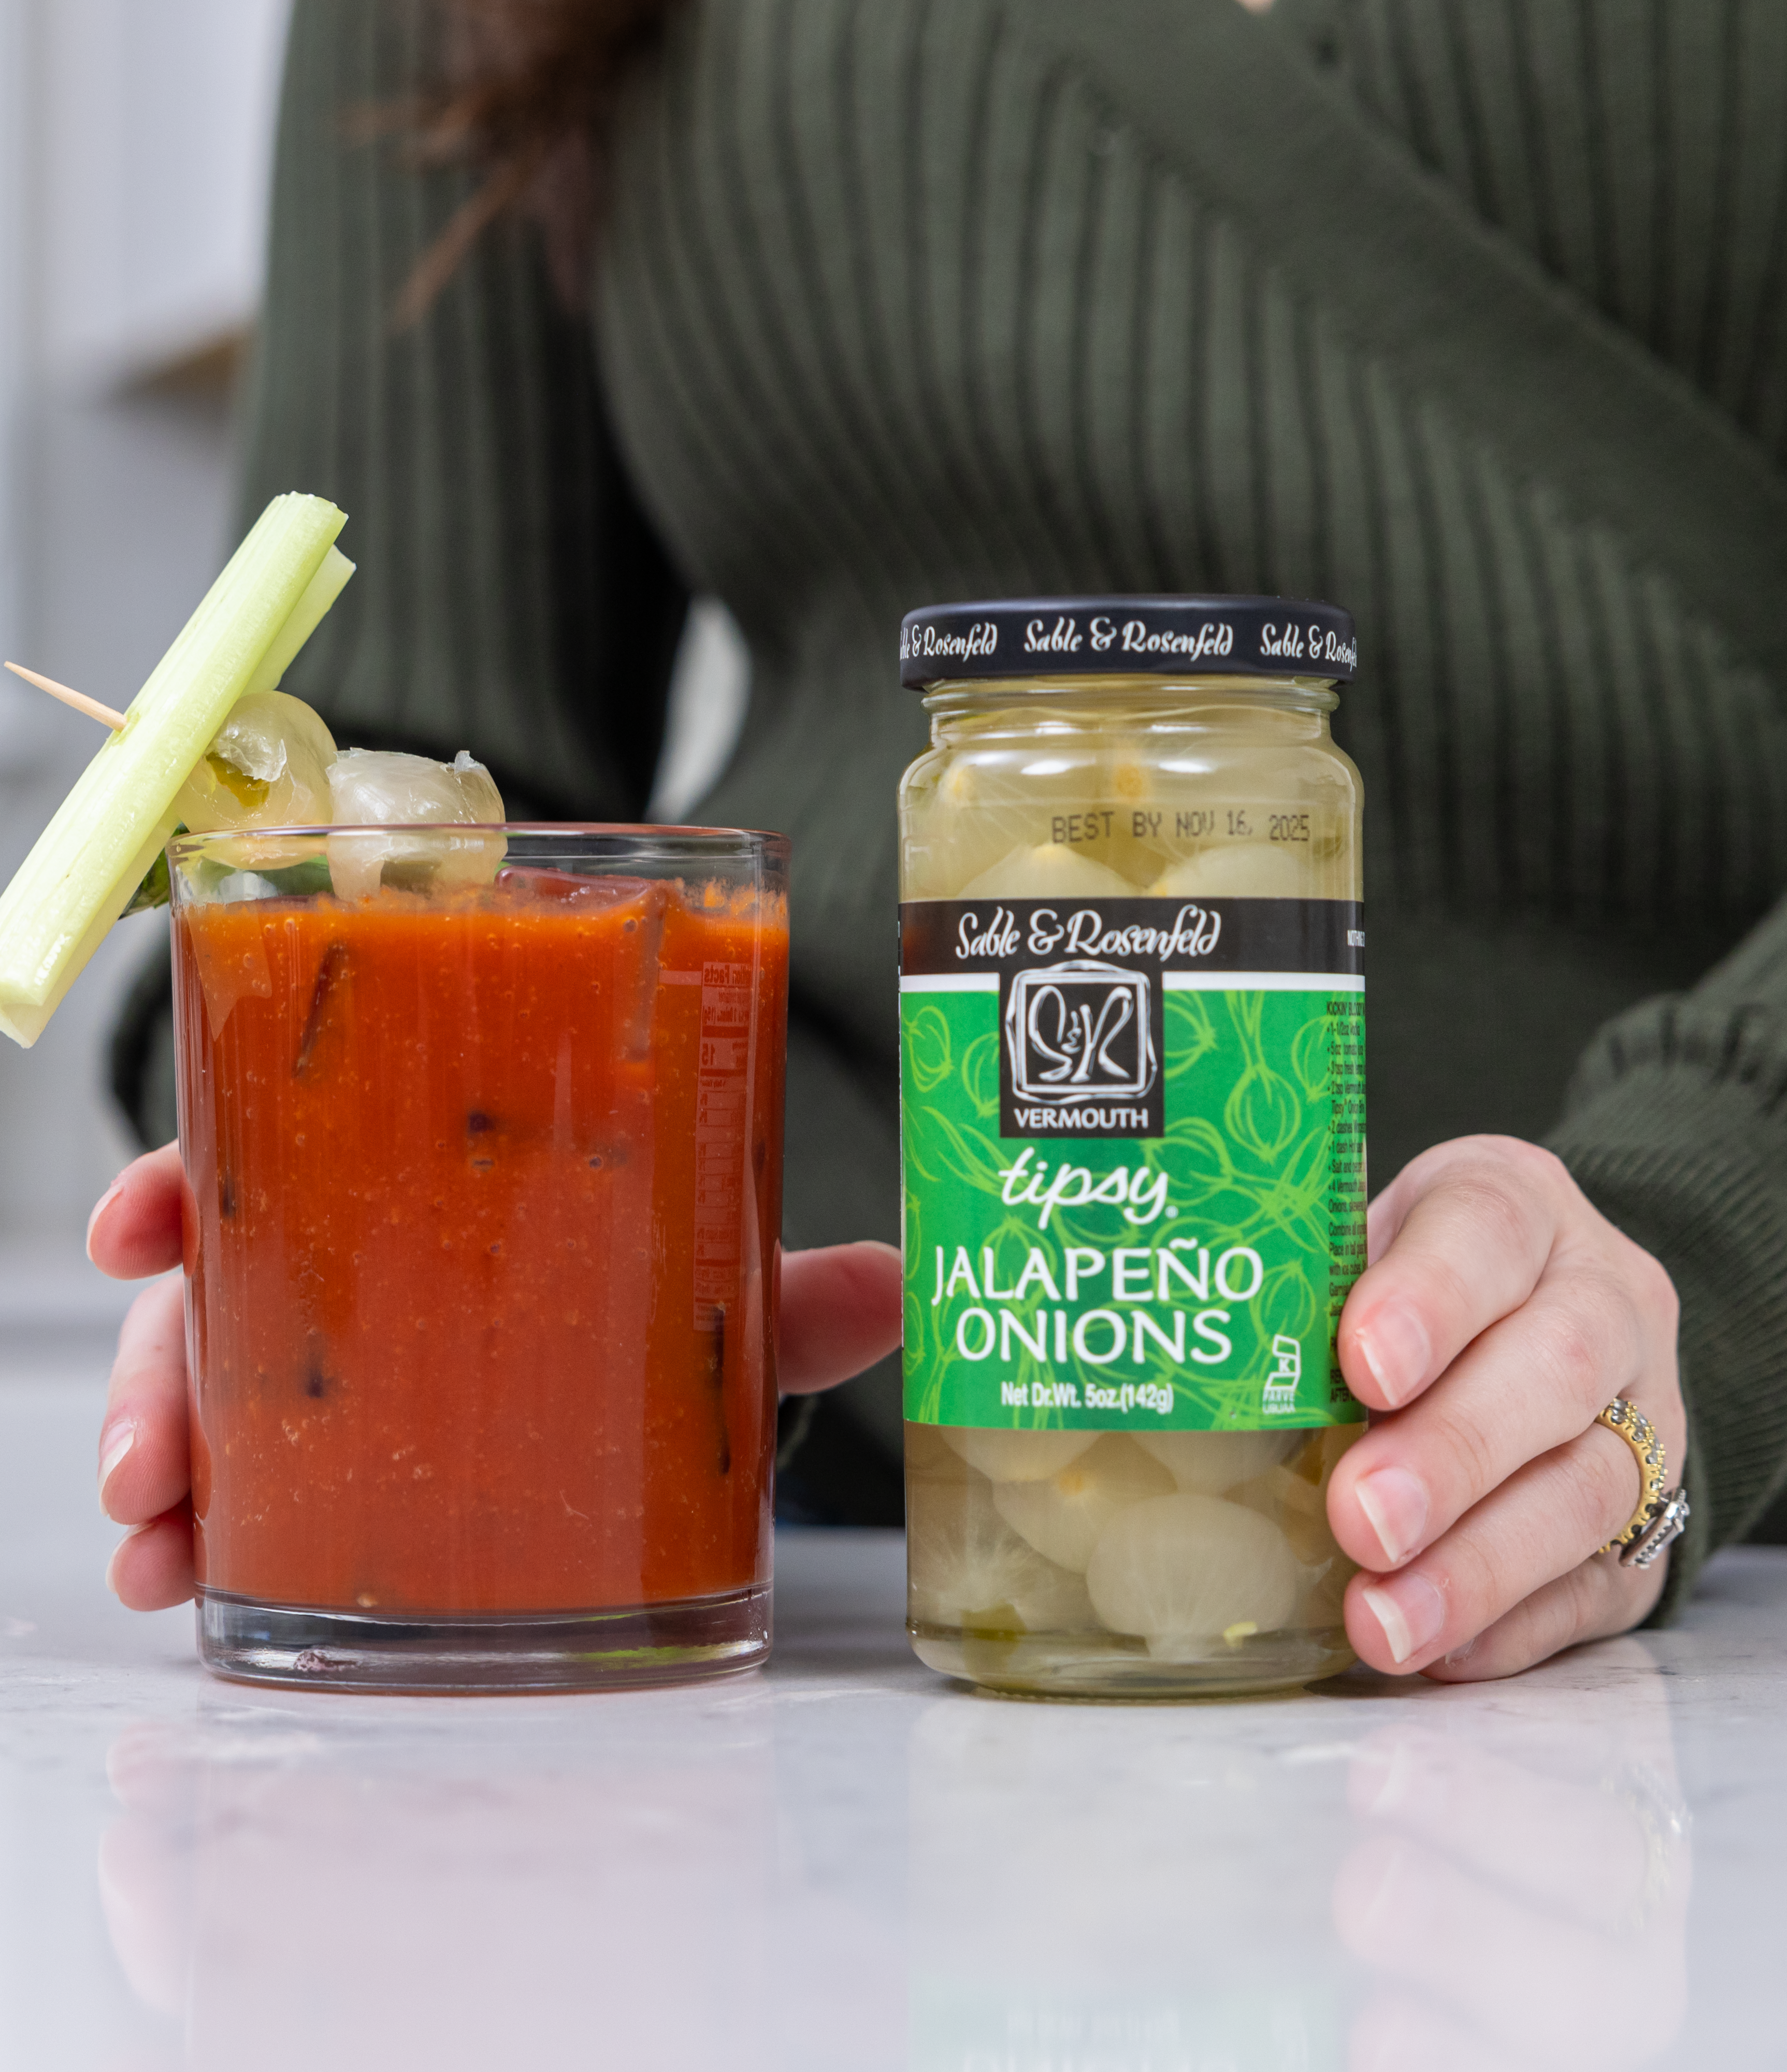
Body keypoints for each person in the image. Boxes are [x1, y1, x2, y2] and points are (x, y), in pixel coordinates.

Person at [93, 0, 1787, 1681]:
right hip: (780, 1556)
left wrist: (1712, 1241)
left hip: (1705, 1589)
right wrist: (368, 1221)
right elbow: (375, 799)